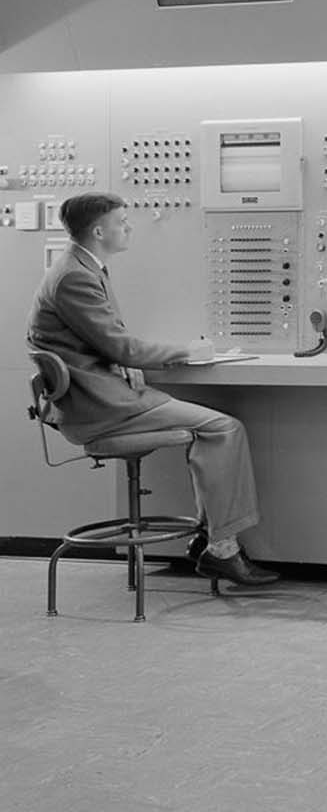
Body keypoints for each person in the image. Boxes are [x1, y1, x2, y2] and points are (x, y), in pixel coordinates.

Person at [26, 193, 278, 587]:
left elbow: (101, 342)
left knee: (214, 428)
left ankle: (212, 540)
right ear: (98, 231)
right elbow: (119, 345)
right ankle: (222, 548)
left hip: (98, 398)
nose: (129, 228)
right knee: (224, 429)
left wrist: (123, 359)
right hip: (101, 409)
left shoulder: (79, 267)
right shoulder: (76, 276)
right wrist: (187, 351)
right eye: (122, 221)